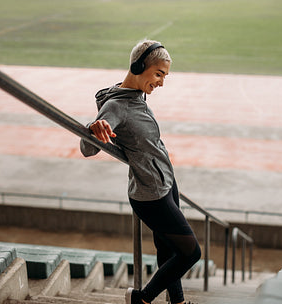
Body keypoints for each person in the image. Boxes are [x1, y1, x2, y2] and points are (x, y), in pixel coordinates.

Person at [80, 40, 201, 304]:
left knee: (168, 249)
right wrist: (93, 128)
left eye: (165, 76)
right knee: (191, 254)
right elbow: (88, 149)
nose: (161, 83)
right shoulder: (116, 107)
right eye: (158, 74)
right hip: (150, 195)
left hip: (166, 182)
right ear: (138, 66)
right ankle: (142, 299)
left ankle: (177, 302)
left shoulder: (134, 95)